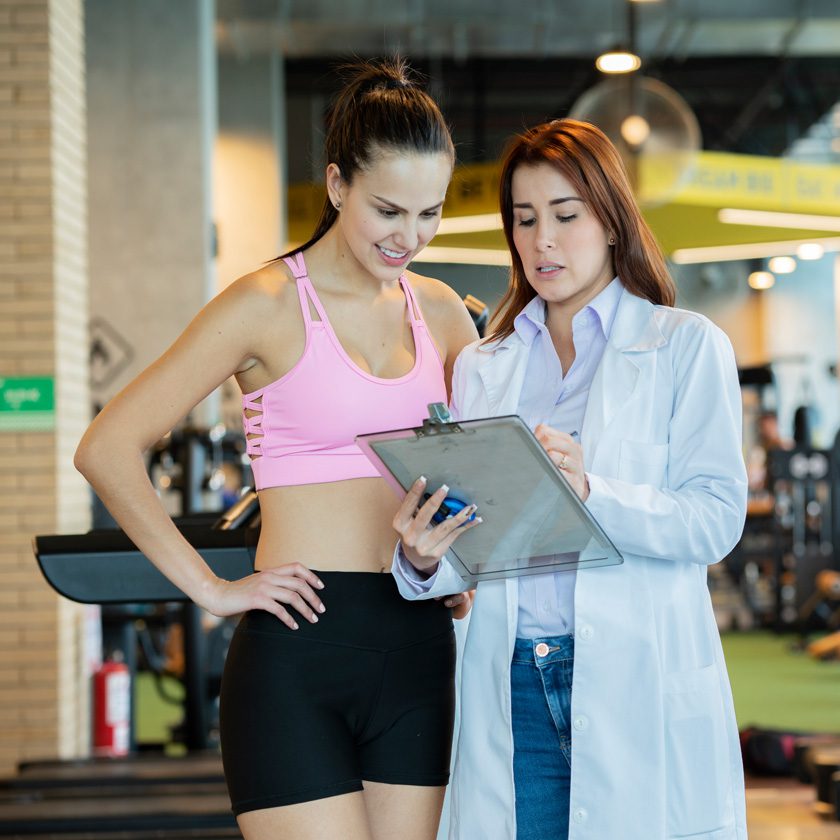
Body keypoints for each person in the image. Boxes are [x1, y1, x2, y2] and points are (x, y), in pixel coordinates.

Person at [74, 58, 478, 840]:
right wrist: (210, 588)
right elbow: (107, 446)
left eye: (429, 214)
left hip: (419, 650)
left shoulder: (444, 317)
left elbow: (478, 478)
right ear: (336, 185)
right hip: (298, 651)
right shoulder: (264, 304)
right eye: (388, 210)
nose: (410, 237)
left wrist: (458, 569)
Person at [391, 119, 749, 839]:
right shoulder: (483, 367)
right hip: (512, 677)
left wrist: (593, 494)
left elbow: (715, 520)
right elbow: (470, 544)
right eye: (524, 220)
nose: (541, 240)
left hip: (631, 674)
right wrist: (421, 558)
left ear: (611, 221)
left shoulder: (684, 346)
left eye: (564, 215)